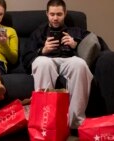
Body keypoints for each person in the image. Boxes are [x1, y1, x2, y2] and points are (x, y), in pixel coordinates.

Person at [22, 0, 93, 135]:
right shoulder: (39, 32)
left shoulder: (74, 30)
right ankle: (46, 121)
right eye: (52, 14)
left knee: (80, 65)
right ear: (47, 14)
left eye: (59, 14)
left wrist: (75, 45)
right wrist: (42, 50)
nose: (55, 18)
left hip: (68, 60)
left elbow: (94, 43)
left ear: (65, 14)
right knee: (43, 63)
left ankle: (75, 123)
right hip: (46, 59)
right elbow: (25, 57)